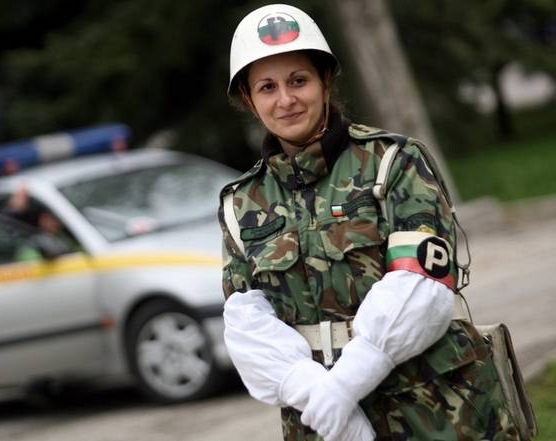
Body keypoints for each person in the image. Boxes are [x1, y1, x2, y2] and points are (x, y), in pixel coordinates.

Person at [218, 4, 520, 441]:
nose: (285, 99)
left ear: (325, 81)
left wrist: (347, 382)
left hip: (433, 408)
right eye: (267, 87)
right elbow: (246, 323)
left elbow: (422, 286)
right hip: (319, 420)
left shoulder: (394, 162)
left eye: (298, 80)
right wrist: (320, 397)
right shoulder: (241, 203)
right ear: (249, 98)